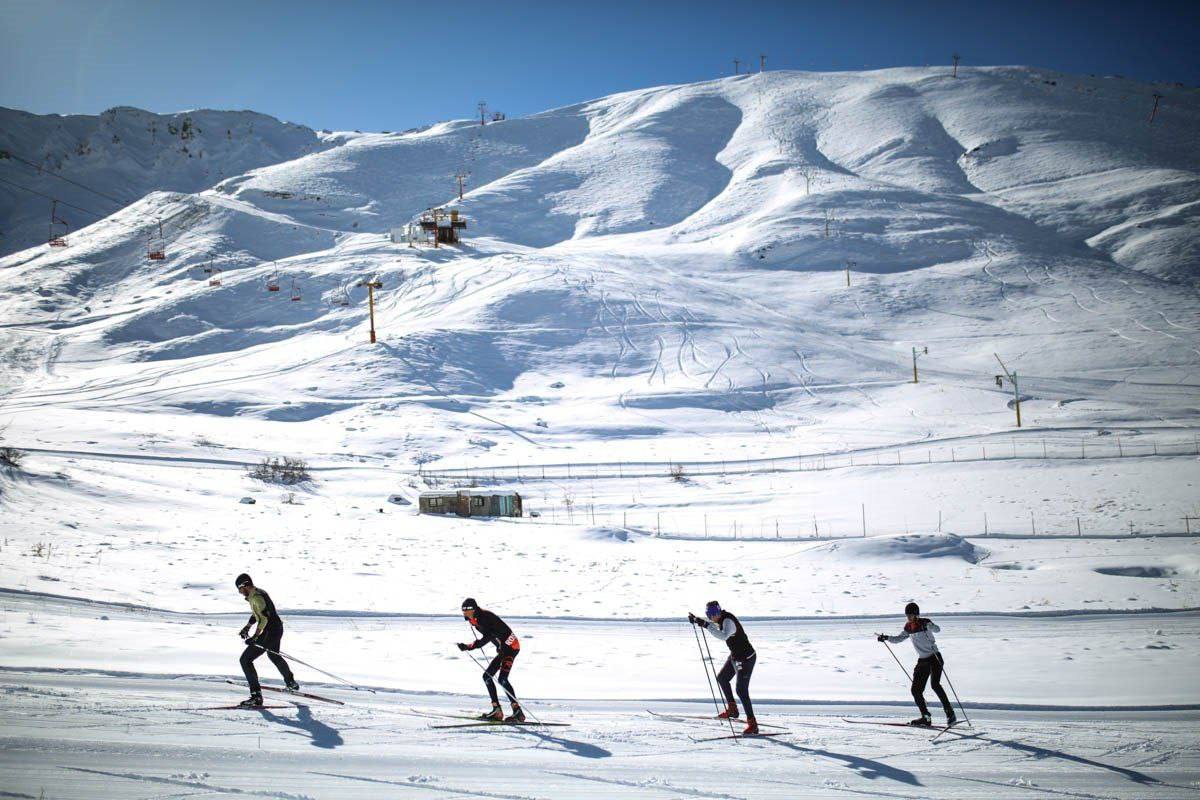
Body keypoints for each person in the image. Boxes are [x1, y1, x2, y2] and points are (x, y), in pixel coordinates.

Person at [876, 601, 956, 727]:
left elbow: (938, 630)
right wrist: (886, 638)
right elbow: (899, 639)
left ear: (916, 614)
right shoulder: (908, 627)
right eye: (907, 615)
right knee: (915, 690)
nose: (908, 617)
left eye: (910, 615)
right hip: (923, 660)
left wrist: (929, 625)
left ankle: (950, 713)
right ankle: (926, 717)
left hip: (934, 657)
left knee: (935, 685)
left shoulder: (925, 622)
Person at [690, 600, 759, 735]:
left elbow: (723, 636)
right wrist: (697, 620)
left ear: (719, 612)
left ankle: (753, 724)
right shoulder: (720, 618)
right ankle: (732, 709)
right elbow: (711, 624)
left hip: (746, 659)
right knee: (722, 678)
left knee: (741, 690)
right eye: (709, 615)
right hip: (735, 656)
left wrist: (706, 625)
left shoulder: (728, 621)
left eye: (714, 614)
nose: (712, 617)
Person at [235, 573, 298, 708]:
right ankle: (291, 682)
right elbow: (257, 614)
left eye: (239, 589)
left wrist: (255, 637)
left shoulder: (257, 597)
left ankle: (256, 696)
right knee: (273, 655)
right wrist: (247, 627)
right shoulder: (256, 594)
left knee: (245, 660)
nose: (239, 592)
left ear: (244, 585)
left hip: (270, 632)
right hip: (277, 629)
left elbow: (264, 618)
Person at [457, 598, 524, 722]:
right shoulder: (474, 619)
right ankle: (497, 710)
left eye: (468, 610)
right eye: (463, 610)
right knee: (487, 677)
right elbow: (492, 634)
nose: (465, 612)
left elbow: (489, 636)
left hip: (511, 648)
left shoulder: (483, 617)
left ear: (474, 609)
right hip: (504, 648)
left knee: (502, 679)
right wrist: (498, 645)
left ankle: (518, 712)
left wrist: (469, 646)